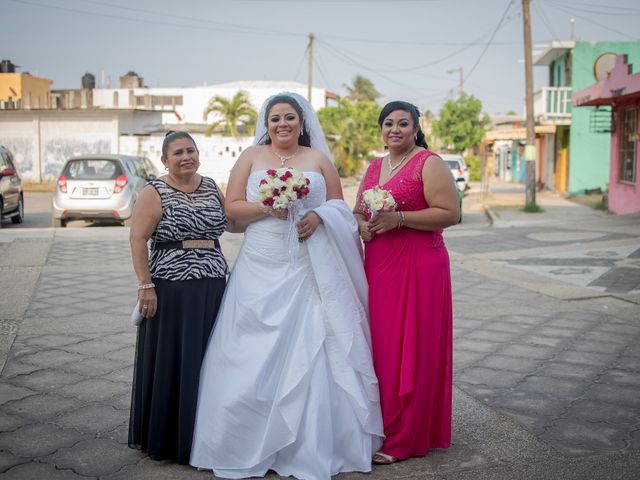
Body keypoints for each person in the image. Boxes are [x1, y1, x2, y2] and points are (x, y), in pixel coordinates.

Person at [190, 92, 383, 480]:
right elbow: (231, 209)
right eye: (275, 118)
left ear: (302, 122)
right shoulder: (250, 158)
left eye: (290, 118)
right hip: (260, 263)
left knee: (314, 346)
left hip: (307, 266)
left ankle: (309, 445)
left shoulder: (318, 161)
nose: (282, 124)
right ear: (266, 123)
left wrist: (319, 218)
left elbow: (342, 211)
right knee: (247, 348)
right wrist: (267, 207)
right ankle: (242, 441)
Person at [354, 101, 460, 464]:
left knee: (413, 344)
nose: (394, 130)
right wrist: (362, 225)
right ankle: (384, 425)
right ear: (381, 130)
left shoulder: (428, 162)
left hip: (420, 263)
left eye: (403, 124)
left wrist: (400, 218)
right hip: (380, 264)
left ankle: (407, 436)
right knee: (384, 345)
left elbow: (450, 213)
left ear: (416, 128)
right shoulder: (373, 167)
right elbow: (357, 210)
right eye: (388, 124)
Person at [128, 131, 230, 464]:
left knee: (208, 360)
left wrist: (275, 209)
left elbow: (232, 222)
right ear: (164, 160)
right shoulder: (154, 191)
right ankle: (171, 439)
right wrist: (146, 285)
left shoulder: (212, 185)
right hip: (171, 289)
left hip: (213, 285)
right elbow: (137, 239)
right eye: (178, 153)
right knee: (175, 361)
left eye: (191, 150)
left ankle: (206, 436)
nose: (186, 156)